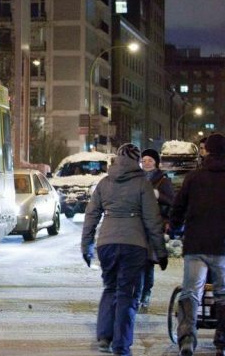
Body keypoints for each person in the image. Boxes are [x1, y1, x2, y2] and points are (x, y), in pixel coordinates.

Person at [81, 143, 167, 356]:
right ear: (137, 160)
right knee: (127, 293)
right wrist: (160, 251)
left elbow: (91, 216)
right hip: (134, 244)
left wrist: (87, 245)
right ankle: (121, 345)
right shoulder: (142, 185)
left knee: (110, 287)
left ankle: (104, 337)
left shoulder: (104, 183)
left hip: (107, 243)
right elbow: (152, 221)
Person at [170, 133, 225, 356]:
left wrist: (174, 228)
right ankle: (223, 344)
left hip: (196, 244)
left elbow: (178, 207)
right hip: (224, 246)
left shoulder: (194, 177)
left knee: (191, 293)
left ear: (207, 151)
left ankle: (187, 340)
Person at [138, 148, 175, 309]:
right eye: (144, 160)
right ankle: (137, 292)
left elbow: (172, 202)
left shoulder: (163, 181)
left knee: (148, 262)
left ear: (156, 163)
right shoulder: (136, 179)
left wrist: (159, 195)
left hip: (154, 225)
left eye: (150, 161)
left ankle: (146, 292)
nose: (146, 163)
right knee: (137, 260)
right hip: (137, 225)